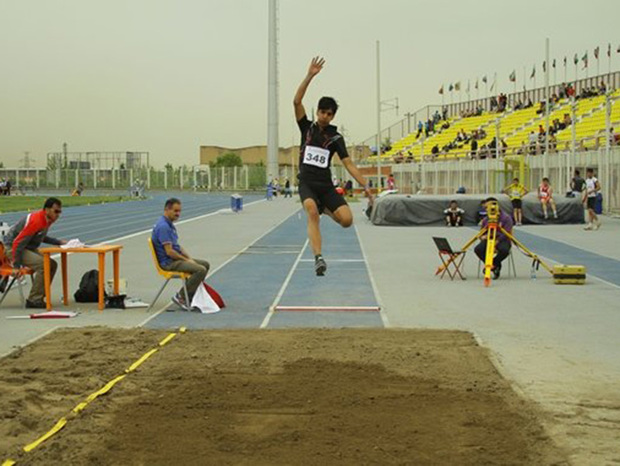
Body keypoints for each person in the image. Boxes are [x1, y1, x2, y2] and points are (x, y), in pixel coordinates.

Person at [294, 56, 373, 276]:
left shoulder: (336, 137)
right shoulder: (306, 128)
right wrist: (309, 75)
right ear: (317, 111)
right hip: (307, 183)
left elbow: (348, 163)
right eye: (322, 112)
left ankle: (325, 208)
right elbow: (296, 102)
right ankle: (318, 258)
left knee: (346, 221)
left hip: (326, 185)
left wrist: (365, 185)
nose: (325, 116)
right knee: (311, 211)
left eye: (329, 114)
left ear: (333, 116)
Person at [4, 198, 66, 308]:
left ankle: (40, 296)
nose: (58, 215)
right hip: (13, 248)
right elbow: (17, 243)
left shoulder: (48, 220)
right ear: (47, 210)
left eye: (60, 212)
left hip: (26, 247)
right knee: (44, 264)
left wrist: (58, 242)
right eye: (56, 211)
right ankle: (34, 300)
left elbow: (40, 236)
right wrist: (16, 266)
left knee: (52, 264)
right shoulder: (36, 220)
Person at [151, 198, 210, 310]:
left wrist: (189, 258)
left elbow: (178, 247)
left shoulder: (169, 225)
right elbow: (170, 252)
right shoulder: (163, 227)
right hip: (168, 263)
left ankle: (191, 296)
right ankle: (181, 297)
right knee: (200, 269)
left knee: (205, 264)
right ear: (167, 209)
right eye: (175, 211)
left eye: (179, 211)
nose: (178, 214)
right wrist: (187, 261)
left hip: (175, 259)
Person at [474, 197, 513, 279]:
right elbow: (482, 232)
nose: (487, 209)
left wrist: (498, 241)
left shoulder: (506, 218)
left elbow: (507, 233)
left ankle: (494, 263)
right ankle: (494, 266)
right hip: (489, 238)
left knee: (504, 250)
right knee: (478, 249)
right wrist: (482, 237)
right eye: (486, 208)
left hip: (503, 239)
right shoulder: (486, 219)